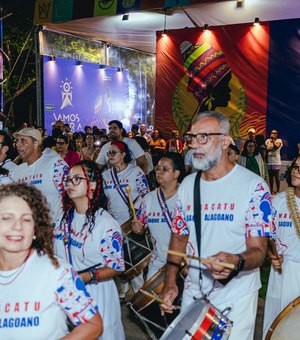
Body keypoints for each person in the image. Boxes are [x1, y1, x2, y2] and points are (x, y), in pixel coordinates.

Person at [161, 111, 271, 340]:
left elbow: (259, 251)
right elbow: (179, 237)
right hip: (194, 292)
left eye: (204, 137)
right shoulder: (187, 186)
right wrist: (171, 281)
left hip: (236, 297)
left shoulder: (254, 187)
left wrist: (236, 260)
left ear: (225, 140)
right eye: (192, 137)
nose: (195, 145)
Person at [0, 183, 102, 339]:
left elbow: (92, 324)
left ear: (36, 228)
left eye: (26, 219)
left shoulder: (57, 272)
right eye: (6, 218)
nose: (17, 226)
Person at [53, 160, 125, 340]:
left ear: (92, 185)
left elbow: (116, 267)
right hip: (67, 290)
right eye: (68, 180)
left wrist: (86, 276)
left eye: (77, 179)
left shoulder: (106, 223)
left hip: (96, 291)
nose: (70, 184)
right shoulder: (64, 216)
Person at [102, 141, 150, 298]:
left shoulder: (135, 172)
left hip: (132, 223)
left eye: (113, 152)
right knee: (117, 259)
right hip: (114, 224)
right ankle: (122, 294)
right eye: (108, 153)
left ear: (123, 154)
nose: (110, 156)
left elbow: (146, 196)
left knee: (134, 262)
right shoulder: (105, 175)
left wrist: (140, 219)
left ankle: (139, 294)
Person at [132, 152, 186, 279]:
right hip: (159, 260)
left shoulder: (186, 196)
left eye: (165, 169)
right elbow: (141, 228)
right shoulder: (149, 198)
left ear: (176, 173)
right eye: (158, 168)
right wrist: (138, 229)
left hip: (185, 261)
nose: (159, 172)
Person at [263, 156, 300, 337]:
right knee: (276, 323)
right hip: (280, 272)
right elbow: (269, 236)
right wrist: (273, 254)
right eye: (295, 167)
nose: (295, 171)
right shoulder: (278, 201)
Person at [12, 128, 69, 222]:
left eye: (23, 141)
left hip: (53, 230)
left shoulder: (55, 164)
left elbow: (69, 194)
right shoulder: (17, 171)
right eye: (17, 141)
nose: (18, 145)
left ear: (36, 143)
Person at [265, 130, 283, 195]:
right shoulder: (267, 141)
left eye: (274, 133)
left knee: (277, 176)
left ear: (277, 135)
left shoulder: (279, 140)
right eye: (272, 133)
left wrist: (273, 140)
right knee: (271, 177)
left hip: (276, 162)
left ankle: (278, 191)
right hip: (269, 162)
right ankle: (271, 190)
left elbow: (276, 147)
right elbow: (266, 149)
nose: (273, 134)